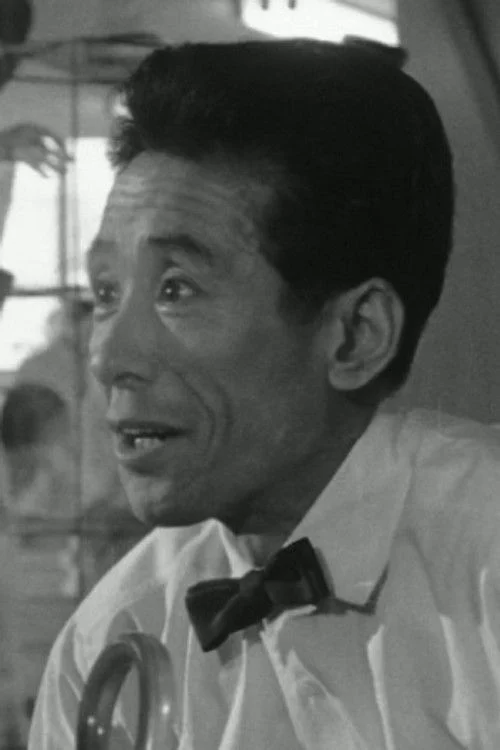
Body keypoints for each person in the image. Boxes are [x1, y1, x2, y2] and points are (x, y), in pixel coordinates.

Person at [28, 39, 500, 750]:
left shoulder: (483, 557)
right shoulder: (112, 639)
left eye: (176, 289)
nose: (107, 357)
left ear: (356, 336)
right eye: (105, 292)